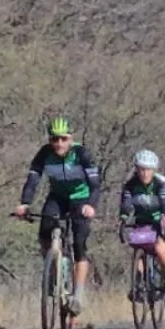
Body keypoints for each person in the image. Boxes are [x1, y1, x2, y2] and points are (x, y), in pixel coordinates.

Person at [15, 116, 100, 317]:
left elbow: (95, 185)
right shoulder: (45, 154)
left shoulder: (81, 154)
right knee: (45, 232)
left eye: (63, 139)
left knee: (79, 244)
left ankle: (77, 297)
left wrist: (91, 205)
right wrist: (25, 203)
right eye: (54, 139)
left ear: (70, 138)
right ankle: (52, 269)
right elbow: (33, 180)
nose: (59, 144)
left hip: (80, 198)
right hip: (58, 197)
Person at [119, 149, 165, 300]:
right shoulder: (130, 185)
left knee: (160, 248)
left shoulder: (160, 184)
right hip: (142, 220)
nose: (144, 173)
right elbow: (126, 204)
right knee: (138, 246)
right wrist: (123, 219)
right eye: (141, 169)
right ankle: (140, 283)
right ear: (136, 169)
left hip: (161, 219)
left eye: (148, 169)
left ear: (154, 170)